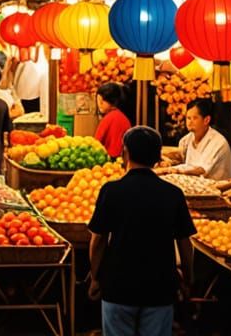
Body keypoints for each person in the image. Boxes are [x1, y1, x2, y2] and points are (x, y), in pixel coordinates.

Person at [89, 126, 195, 336]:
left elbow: (98, 240)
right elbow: (185, 243)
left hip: (118, 286)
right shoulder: (173, 194)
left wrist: (95, 277)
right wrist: (188, 280)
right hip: (160, 289)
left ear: (124, 153)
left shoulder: (111, 191)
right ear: (157, 158)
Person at [154, 98, 231, 181]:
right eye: (188, 118)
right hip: (193, 184)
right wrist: (168, 163)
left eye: (194, 118)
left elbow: (201, 170)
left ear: (206, 120)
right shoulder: (186, 140)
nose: (190, 122)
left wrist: (174, 170)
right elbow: (183, 161)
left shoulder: (218, 142)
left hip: (215, 189)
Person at [93, 83, 133, 159]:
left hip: (110, 160)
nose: (99, 104)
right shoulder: (122, 117)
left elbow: (96, 144)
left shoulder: (109, 118)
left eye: (102, 101)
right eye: (98, 100)